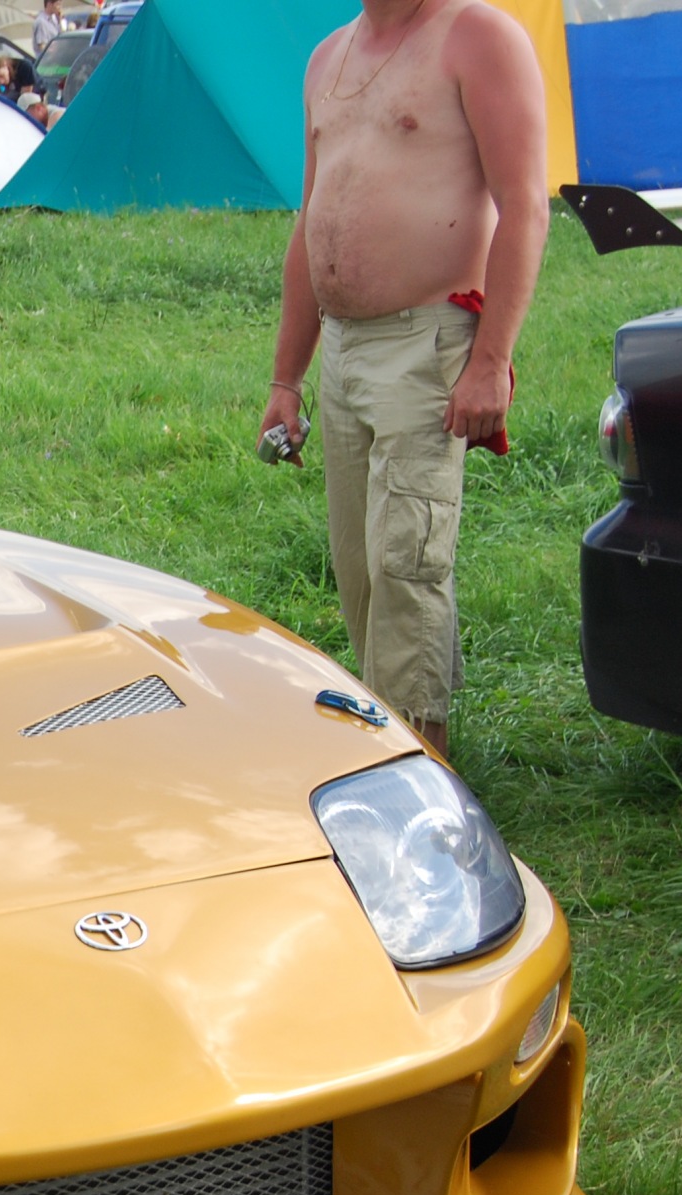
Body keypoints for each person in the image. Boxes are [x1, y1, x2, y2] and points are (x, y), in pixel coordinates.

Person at [260, 0, 546, 761]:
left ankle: (423, 775)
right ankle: (393, 745)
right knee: (361, 572)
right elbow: (309, 220)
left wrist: (490, 361)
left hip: (428, 342)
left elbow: (524, 207)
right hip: (343, 351)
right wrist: (287, 380)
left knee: (406, 565)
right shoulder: (328, 56)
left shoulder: (478, 36)